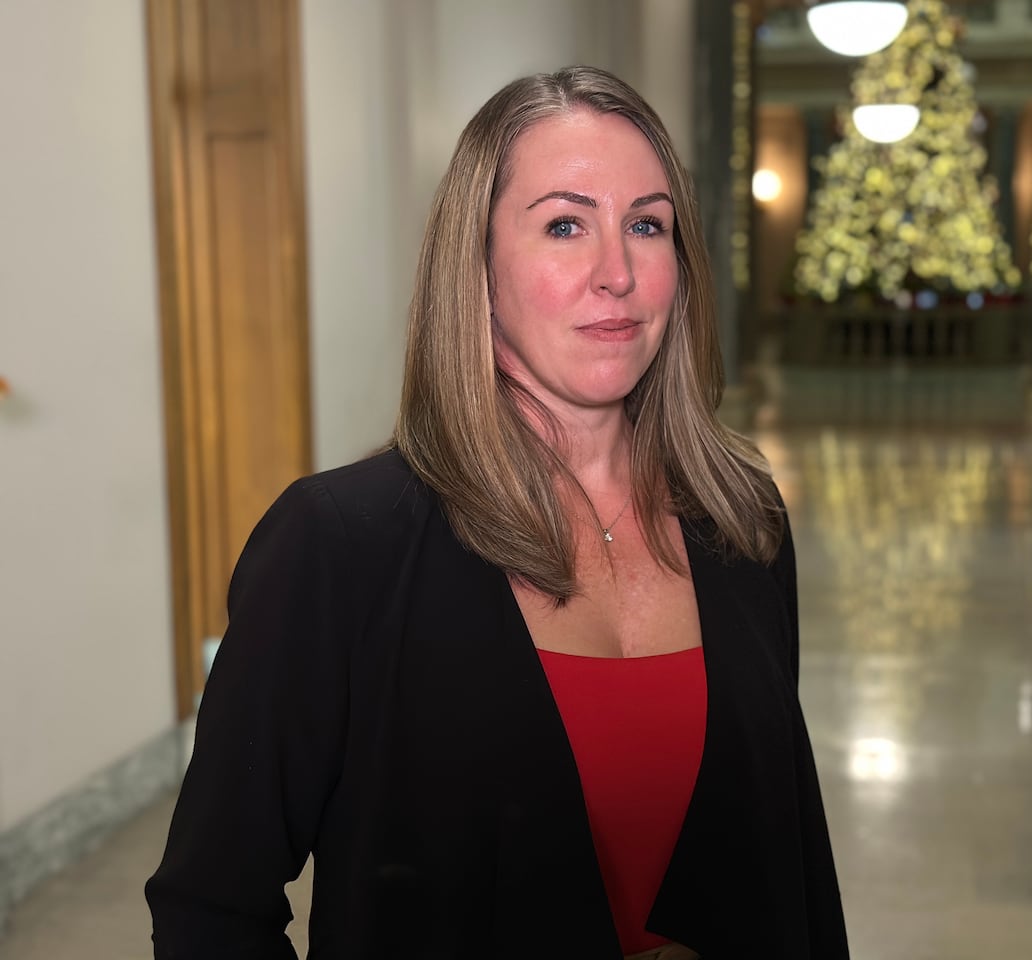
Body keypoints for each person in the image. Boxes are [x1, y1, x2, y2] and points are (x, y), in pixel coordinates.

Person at [146, 65, 848, 960]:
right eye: (565, 225)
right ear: (475, 266)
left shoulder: (740, 521)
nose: (618, 273)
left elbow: (792, 867)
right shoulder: (338, 548)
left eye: (647, 224)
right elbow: (212, 905)